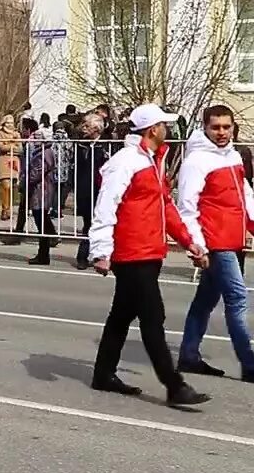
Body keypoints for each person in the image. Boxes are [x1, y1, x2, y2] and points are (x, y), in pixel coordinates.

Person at [88, 103, 210, 406]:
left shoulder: (153, 161)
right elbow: (106, 205)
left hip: (150, 251)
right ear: (152, 129)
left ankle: (103, 374)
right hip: (132, 254)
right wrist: (100, 250)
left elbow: (164, 206)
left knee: (122, 314)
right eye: (163, 125)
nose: (167, 129)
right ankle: (174, 385)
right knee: (153, 317)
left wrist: (188, 240)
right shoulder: (126, 161)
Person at [174, 104, 254, 382]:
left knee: (205, 299)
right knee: (237, 298)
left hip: (233, 239)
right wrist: (197, 245)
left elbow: (245, 195)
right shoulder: (196, 161)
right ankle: (249, 363)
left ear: (233, 127)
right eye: (215, 127)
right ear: (205, 128)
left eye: (226, 126)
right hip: (216, 241)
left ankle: (188, 355)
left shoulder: (233, 156)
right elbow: (187, 207)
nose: (221, 132)